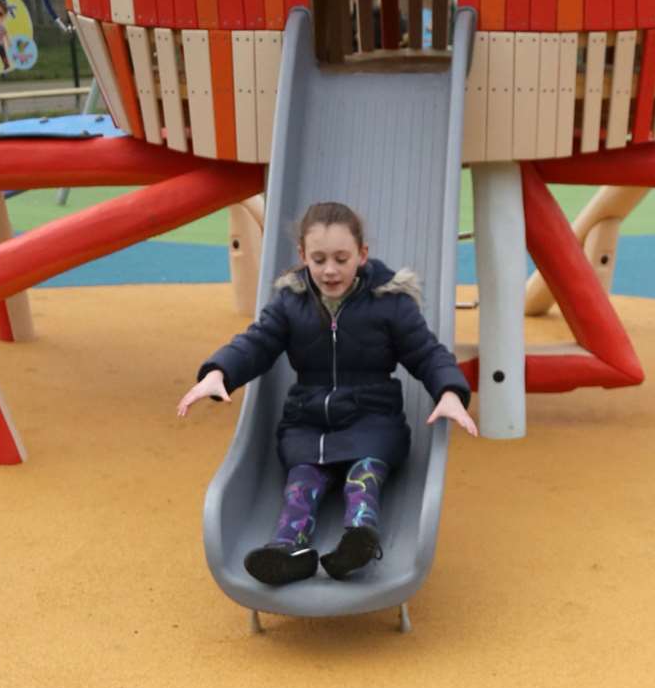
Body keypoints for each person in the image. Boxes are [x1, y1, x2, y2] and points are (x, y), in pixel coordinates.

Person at [177, 201, 477, 586]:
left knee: (363, 478)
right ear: (303, 256)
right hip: (308, 422)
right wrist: (219, 371)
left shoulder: (390, 303)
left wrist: (449, 391)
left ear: (362, 255)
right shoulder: (291, 303)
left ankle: (359, 538)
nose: (330, 269)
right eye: (318, 259)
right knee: (302, 484)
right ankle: (288, 550)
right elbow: (257, 342)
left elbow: (426, 352)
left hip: (372, 418)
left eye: (341, 258)